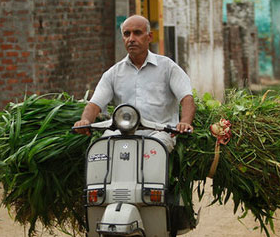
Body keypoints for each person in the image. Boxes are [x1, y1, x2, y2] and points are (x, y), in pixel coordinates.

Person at [73, 15, 195, 152]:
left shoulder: (168, 67)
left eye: (137, 33)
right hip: (124, 133)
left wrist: (184, 122)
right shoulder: (113, 73)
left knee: (154, 151)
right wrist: (85, 121)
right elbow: (94, 105)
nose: (131, 39)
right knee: (100, 147)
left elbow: (186, 98)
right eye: (127, 34)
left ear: (149, 37)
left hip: (160, 133)